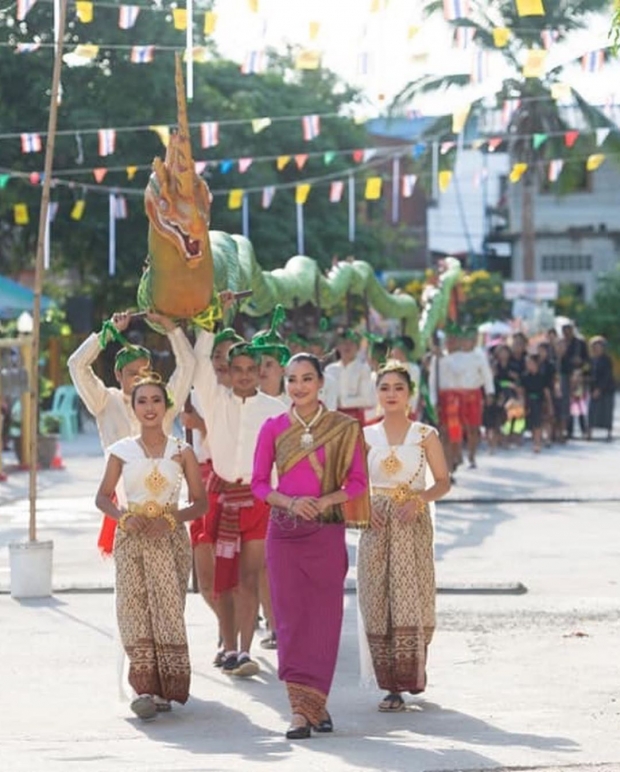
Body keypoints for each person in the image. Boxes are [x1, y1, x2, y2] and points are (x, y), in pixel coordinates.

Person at [251, 353, 370, 739]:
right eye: (291, 380)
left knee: (324, 620)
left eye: (306, 379)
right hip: (284, 533)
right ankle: (299, 711)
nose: (298, 387)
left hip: (326, 531)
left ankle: (316, 703)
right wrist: (288, 502)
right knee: (289, 620)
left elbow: (357, 482)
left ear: (321, 383)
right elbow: (259, 485)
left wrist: (327, 500)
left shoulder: (344, 428)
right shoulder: (272, 428)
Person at [94, 373, 207, 720]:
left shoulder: (181, 451)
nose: (149, 408)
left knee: (168, 609)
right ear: (133, 406)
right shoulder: (121, 452)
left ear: (166, 405)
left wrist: (172, 520)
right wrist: (123, 517)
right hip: (132, 535)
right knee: (133, 606)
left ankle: (165, 687)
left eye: (156, 400)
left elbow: (201, 504)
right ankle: (142, 688)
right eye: (141, 401)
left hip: (170, 537)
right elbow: (102, 497)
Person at [193, 304, 286, 678]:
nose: (246, 376)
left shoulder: (275, 408)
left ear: (260, 372)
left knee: (249, 577)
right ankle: (228, 645)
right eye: (238, 370)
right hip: (219, 498)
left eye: (252, 370)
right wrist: (210, 319)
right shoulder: (214, 401)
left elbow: (283, 459)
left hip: (259, 501)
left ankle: (243, 651)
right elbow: (199, 360)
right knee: (221, 581)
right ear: (227, 373)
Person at [357, 362, 450, 712]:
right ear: (377, 394)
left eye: (398, 387)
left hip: (411, 524)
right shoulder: (364, 435)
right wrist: (367, 505)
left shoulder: (425, 434)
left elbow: (442, 482)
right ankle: (390, 685)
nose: (391, 394)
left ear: (409, 393)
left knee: (412, 597)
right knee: (376, 597)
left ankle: (411, 674)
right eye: (384, 388)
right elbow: (351, 484)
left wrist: (419, 500)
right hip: (377, 523)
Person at [68, 310, 195, 554]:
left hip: (165, 514)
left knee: (167, 591)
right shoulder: (105, 402)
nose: (139, 379)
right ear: (117, 375)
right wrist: (106, 334)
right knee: (131, 591)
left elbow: (188, 363)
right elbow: (76, 364)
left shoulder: (163, 403)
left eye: (145, 372)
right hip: (127, 513)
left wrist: (170, 326)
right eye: (132, 374)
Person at [183, 327, 243, 664]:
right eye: (216, 355)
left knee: (230, 571)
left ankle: (232, 638)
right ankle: (225, 626)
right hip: (200, 484)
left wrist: (203, 426)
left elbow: (236, 445)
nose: (222, 362)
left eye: (229, 356)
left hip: (234, 486)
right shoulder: (195, 390)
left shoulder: (245, 398)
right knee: (205, 579)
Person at [324, 329, 376, 423]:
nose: (347, 346)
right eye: (343, 343)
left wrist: (342, 402)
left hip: (354, 417)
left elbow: (368, 400)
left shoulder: (363, 369)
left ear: (358, 347)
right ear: (338, 347)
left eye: (351, 343)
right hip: (332, 418)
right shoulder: (330, 370)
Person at [520, 354, 551, 453]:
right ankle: (534, 440)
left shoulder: (542, 376)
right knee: (531, 422)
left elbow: (546, 391)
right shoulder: (524, 376)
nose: (529, 365)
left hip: (539, 401)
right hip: (528, 401)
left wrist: (550, 404)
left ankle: (538, 443)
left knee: (538, 422)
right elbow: (522, 391)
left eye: (531, 363)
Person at [587, 336, 615, 441]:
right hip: (593, 387)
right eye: (594, 346)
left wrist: (599, 389)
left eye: (599, 346)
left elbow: (607, 375)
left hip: (606, 389)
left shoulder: (607, 360)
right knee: (592, 411)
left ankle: (608, 433)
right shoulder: (591, 359)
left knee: (607, 411)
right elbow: (589, 372)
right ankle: (589, 432)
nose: (596, 348)